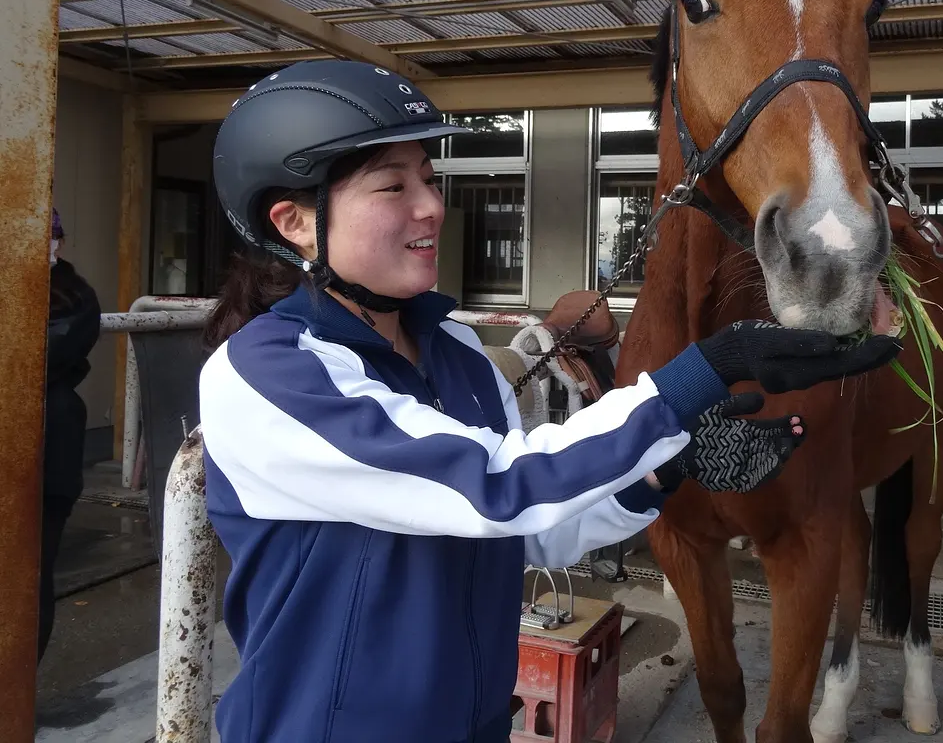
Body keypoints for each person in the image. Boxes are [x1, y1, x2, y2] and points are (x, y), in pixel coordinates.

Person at [199, 60, 901, 743]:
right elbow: (500, 489)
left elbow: (532, 534)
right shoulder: (266, 374)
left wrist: (671, 462)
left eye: (431, 179)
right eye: (393, 186)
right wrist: (702, 374)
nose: (433, 206)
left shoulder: (454, 348)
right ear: (294, 222)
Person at [40, 209, 101, 661]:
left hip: (49, 445)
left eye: (54, 234)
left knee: (30, 572)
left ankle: (18, 691)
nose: (50, 243)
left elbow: (40, 357)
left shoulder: (72, 294)